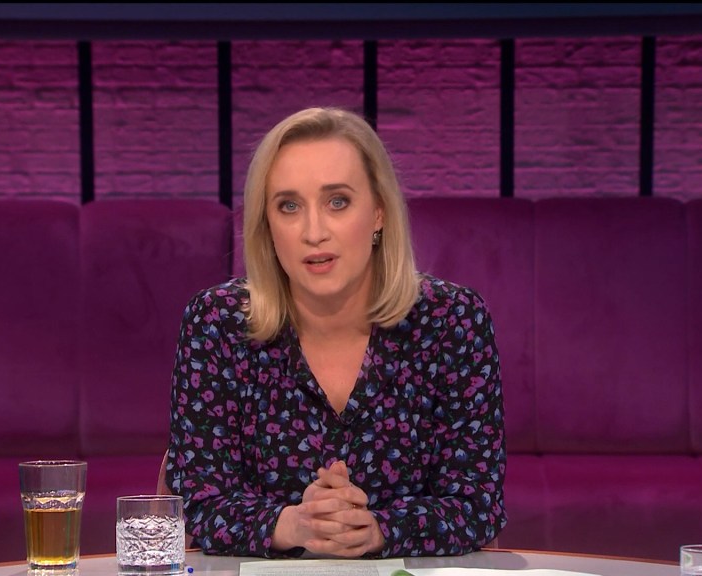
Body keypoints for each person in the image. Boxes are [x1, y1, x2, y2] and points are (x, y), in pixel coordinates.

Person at [164, 106, 506, 559]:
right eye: (289, 206)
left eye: (337, 202)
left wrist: (378, 529)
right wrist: (292, 524)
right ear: (267, 225)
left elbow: (478, 505)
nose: (314, 232)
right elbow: (196, 502)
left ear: (379, 211)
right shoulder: (217, 324)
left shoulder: (452, 321)